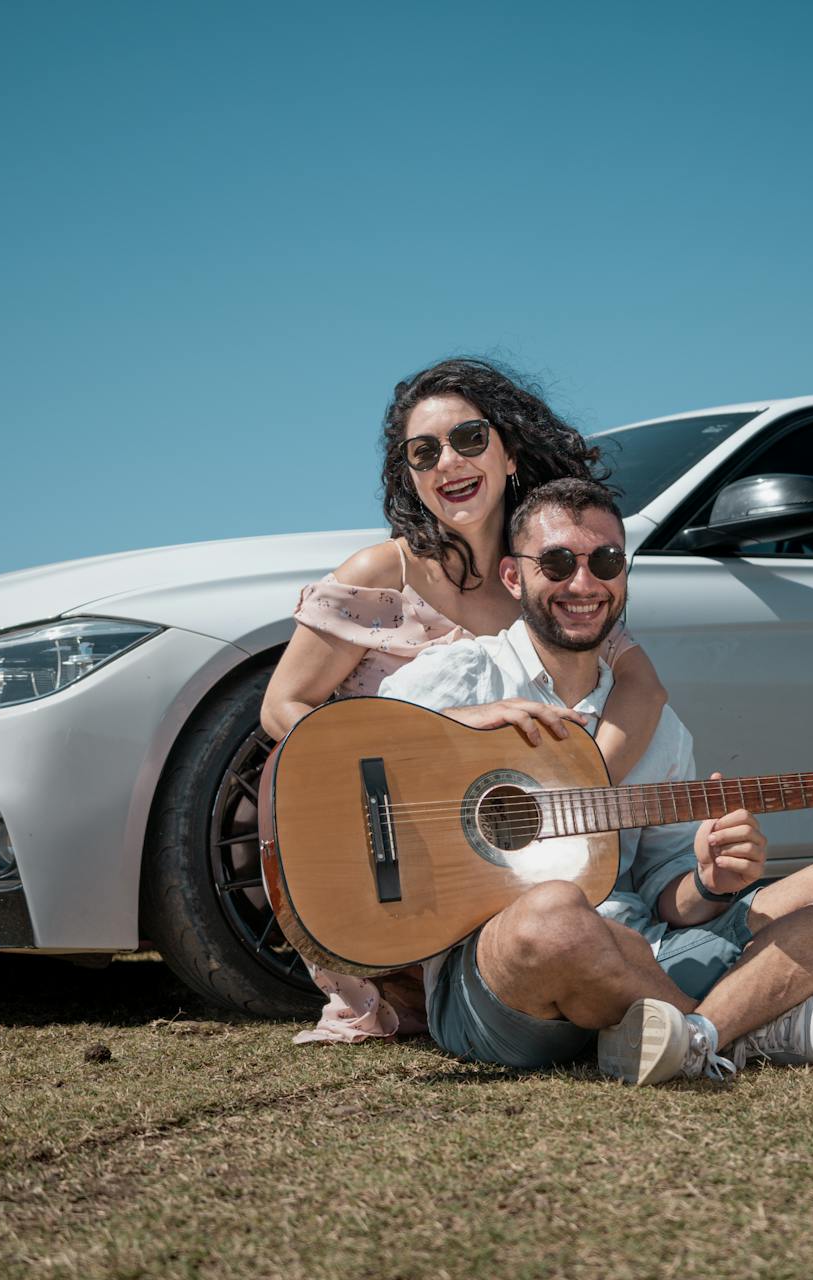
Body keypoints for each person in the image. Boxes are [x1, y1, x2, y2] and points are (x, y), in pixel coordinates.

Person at [375, 477, 813, 1084]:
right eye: (557, 562)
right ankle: (747, 1021)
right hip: (505, 979)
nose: (584, 582)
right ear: (514, 578)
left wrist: (710, 881)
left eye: (606, 561)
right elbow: (348, 745)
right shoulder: (466, 673)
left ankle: (694, 1034)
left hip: (650, 951)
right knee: (555, 912)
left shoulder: (660, 728)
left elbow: (668, 897)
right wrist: (462, 721)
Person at [260, 358, 669, 1042]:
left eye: (469, 438)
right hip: (386, 853)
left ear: (510, 454)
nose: (448, 461)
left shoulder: (551, 569)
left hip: (501, 858)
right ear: (411, 478)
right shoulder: (380, 574)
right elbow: (282, 707)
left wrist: (571, 796)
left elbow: (642, 685)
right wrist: (440, 730)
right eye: (424, 453)